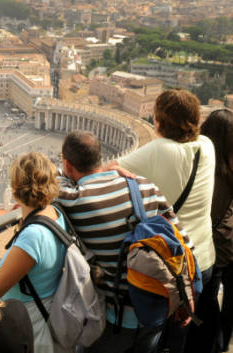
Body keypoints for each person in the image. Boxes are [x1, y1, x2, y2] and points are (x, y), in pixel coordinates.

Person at [56, 131, 191, 353]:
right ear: (99, 159)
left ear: (68, 165)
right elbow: (183, 243)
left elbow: (47, 179)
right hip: (156, 308)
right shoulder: (144, 185)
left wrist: (65, 169)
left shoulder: (74, 199)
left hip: (115, 319)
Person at [109, 89, 216, 352]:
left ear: (159, 121)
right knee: (178, 337)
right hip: (201, 261)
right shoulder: (207, 146)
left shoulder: (159, 150)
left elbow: (107, 169)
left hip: (168, 265)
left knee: (153, 337)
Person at [0, 151, 69, 353]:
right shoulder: (55, 213)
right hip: (47, 311)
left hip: (33, 328)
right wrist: (25, 217)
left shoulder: (33, 236)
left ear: (15, 190)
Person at [185, 109, 233, 353]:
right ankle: (219, 342)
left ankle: (207, 342)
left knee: (205, 302)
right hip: (228, 245)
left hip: (211, 248)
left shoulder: (203, 167)